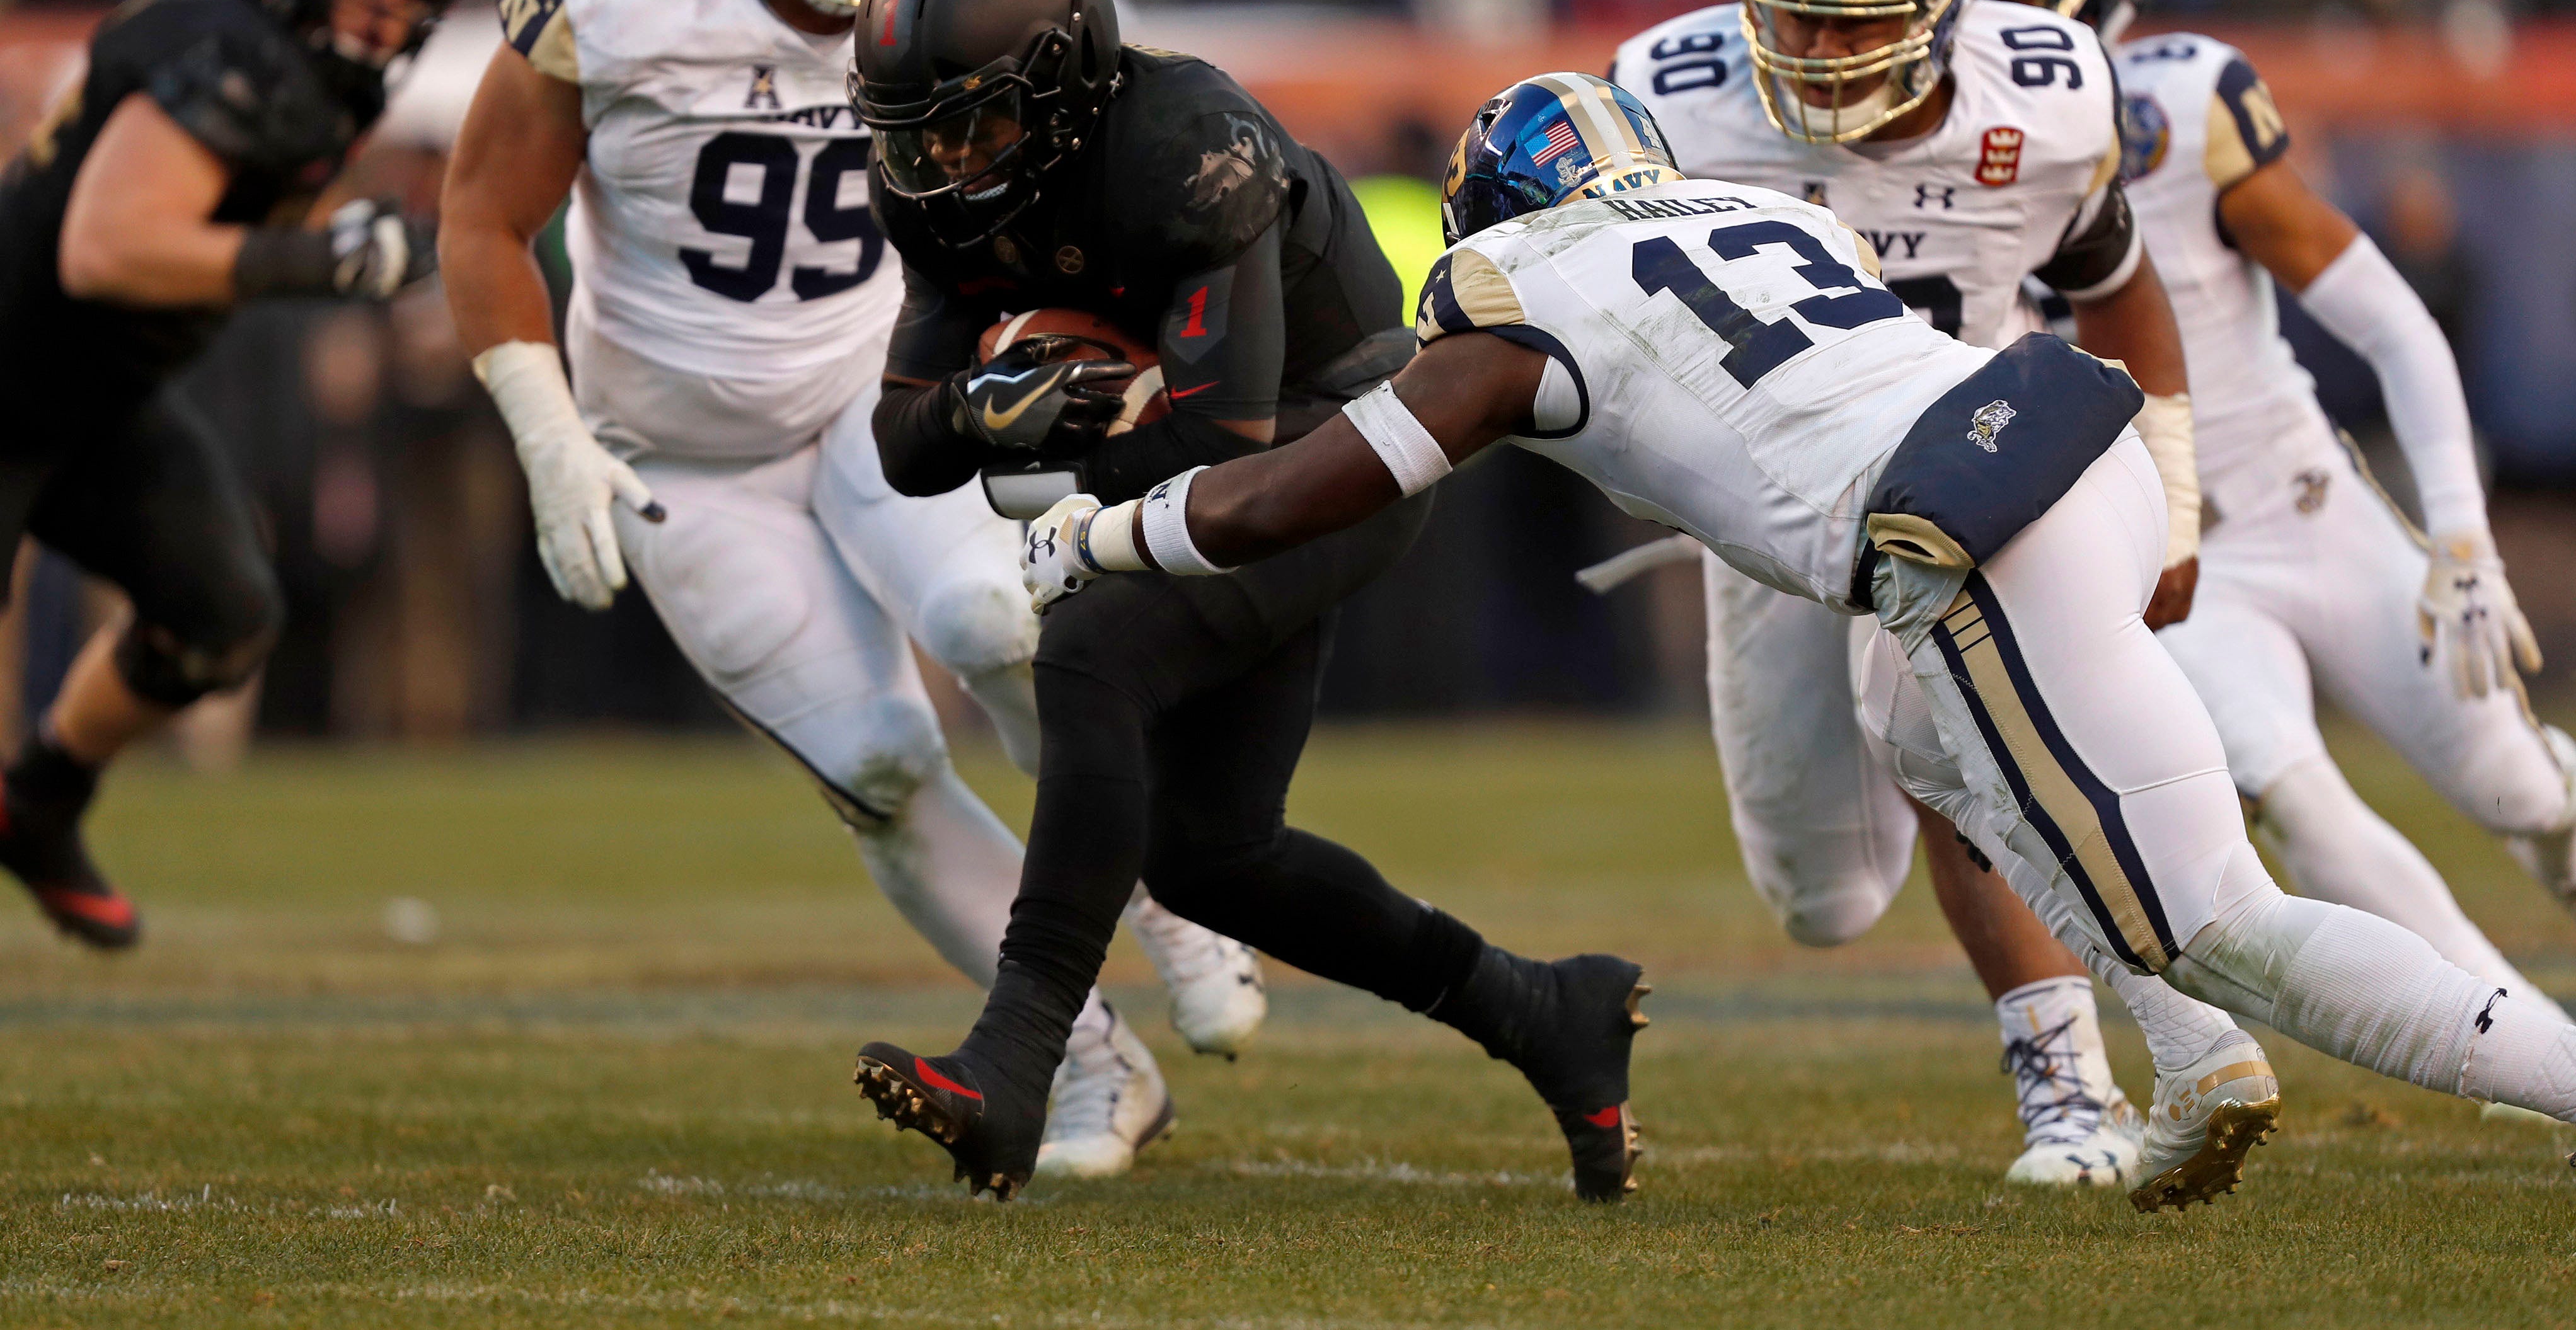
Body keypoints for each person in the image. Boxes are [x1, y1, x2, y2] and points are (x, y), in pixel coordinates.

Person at [1022, 72, 2576, 1209]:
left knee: (2221, 918)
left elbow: (1294, 496)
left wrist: (1094, 534)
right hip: (2052, 427)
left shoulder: (1513, 288)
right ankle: (2195, 1061)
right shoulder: (1755, 205)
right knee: (1928, 746)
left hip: (1960, 531)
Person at [436, 0, 1260, 1182]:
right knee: (879, 759)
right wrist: (546, 429)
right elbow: (483, 215)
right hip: (675, 449)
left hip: (875, 390)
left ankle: (1180, 904)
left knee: (997, 617)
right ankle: (1085, 1064)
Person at [845, 0, 1649, 1205]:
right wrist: (973, 411)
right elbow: (902, 445)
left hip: (1343, 441)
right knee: (1213, 853)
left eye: (977, 119)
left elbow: (1223, 447)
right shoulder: (933, 194)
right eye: (919, 128)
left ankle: (1014, 1057)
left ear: (1065, 77)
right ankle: (1550, 1012)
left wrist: (1051, 450)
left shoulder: (1189, 144)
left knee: (1094, 652)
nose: (945, 158)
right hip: (1222, 457)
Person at [1604, 0, 2201, 1187]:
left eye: (1843, 23)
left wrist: (2172, 485)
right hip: (1760, 510)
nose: (1808, 52)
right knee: (1819, 897)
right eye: (1787, 18)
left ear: (1940, 15)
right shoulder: (1670, 97)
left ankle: (2082, 1088)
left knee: (1976, 769)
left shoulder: (2040, 103)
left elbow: (2117, 281)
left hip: (1958, 482)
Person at [1967, 0, 2576, 1086]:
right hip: (2175, 560)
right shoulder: (1933, 179)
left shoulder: (2182, 111)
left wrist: (2463, 537)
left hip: (2306, 507)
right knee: (2308, 811)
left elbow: (2395, 323)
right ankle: (2552, 1063)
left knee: (2514, 785)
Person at [0, 0, 456, 947]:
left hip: (95, 397)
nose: (387, 7)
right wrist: (320, 261)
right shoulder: (244, 55)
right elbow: (104, 249)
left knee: (220, 614)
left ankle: (39, 804)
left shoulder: (312, 77)